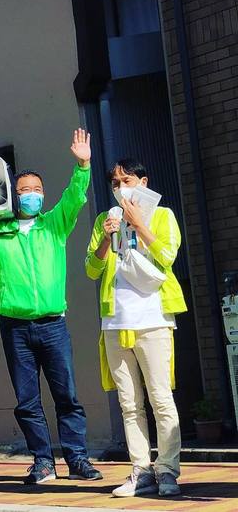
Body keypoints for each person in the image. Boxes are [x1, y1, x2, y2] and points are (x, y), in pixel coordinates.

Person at [0, 130, 103, 485]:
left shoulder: (54, 225)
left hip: (53, 325)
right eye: (24, 190)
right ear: (13, 195)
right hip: (15, 328)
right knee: (27, 400)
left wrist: (83, 165)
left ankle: (77, 459)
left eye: (37, 190)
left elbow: (75, 197)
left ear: (43, 194)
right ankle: (42, 462)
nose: (31, 195)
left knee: (66, 395)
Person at [86, 157, 187, 499]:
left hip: (153, 319)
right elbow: (91, 269)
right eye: (115, 183)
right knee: (129, 404)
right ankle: (141, 470)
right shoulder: (105, 219)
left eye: (126, 180)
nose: (120, 188)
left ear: (143, 182)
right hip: (116, 322)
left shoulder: (163, 215)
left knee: (161, 399)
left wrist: (139, 224)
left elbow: (167, 256)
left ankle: (168, 470)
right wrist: (106, 238)